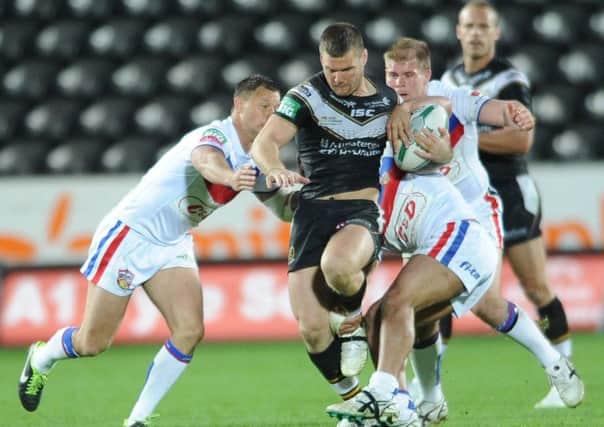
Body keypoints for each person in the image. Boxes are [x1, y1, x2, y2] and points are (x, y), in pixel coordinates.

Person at [18, 75, 299, 427]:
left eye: (276, 109)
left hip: (173, 242)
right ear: (238, 106)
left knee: (189, 330)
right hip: (131, 235)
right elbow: (204, 160)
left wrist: (307, 198)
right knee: (93, 342)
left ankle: (137, 420)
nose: (271, 115)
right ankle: (42, 358)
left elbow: (283, 211)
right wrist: (228, 177)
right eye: (264, 107)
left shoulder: (260, 158)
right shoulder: (215, 135)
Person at [325, 120, 583, 427]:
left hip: (465, 237)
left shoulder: (388, 170)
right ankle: (404, 410)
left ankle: (383, 392)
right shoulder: (358, 213)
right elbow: (366, 259)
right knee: (380, 317)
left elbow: (442, 115)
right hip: (438, 247)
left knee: (401, 303)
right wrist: (354, 310)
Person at [250, 22, 415, 406]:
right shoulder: (304, 96)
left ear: (363, 58)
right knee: (311, 328)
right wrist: (273, 167)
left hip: (360, 207)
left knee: (338, 266)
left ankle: (354, 323)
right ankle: (360, 402)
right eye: (330, 69)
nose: (337, 78)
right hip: (311, 211)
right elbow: (265, 142)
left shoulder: (388, 101)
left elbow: (423, 110)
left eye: (346, 69)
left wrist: (406, 109)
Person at [440, 0, 573, 408]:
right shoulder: (448, 80)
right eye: (469, 25)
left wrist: (465, 140)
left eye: (484, 26)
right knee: (443, 284)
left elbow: (521, 139)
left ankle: (563, 374)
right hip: (466, 195)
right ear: (459, 31)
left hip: (510, 191)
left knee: (535, 286)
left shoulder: (509, 80)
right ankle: (429, 385)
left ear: (496, 33)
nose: (476, 32)